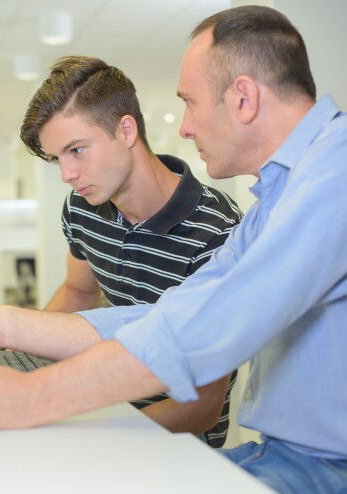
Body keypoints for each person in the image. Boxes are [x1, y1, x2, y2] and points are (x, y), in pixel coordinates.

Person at [0, 6, 347, 492]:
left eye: (190, 103)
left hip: (322, 466)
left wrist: (30, 398)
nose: (185, 127)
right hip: (282, 452)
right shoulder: (278, 197)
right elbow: (170, 314)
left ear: (243, 97)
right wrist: (1, 322)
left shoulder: (333, 177)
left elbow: (199, 334)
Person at [20, 55, 242, 447]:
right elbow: (78, 292)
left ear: (126, 130)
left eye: (76, 150)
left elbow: (200, 406)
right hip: (109, 407)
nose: (67, 175)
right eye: (58, 159)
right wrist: (25, 359)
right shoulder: (82, 208)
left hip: (178, 448)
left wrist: (90, 434)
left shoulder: (216, 230)